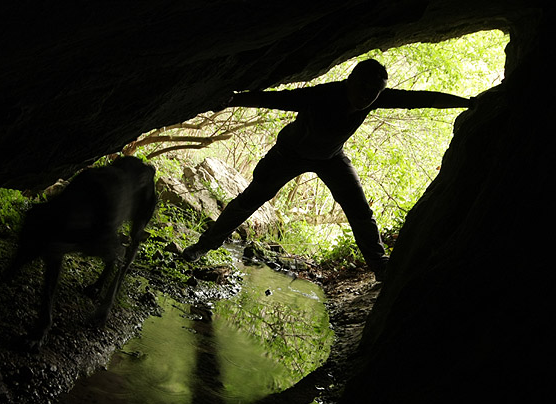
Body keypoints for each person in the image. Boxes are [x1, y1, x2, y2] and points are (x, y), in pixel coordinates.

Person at [182, 58, 473, 281]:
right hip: (288, 155)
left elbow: (424, 99)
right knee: (250, 200)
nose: (366, 97)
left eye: (374, 93)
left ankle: (381, 267)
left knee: (359, 210)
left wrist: (469, 104)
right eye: (362, 89)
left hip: (331, 158)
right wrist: (228, 99)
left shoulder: (377, 97)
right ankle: (202, 247)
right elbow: (272, 99)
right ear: (349, 81)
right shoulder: (322, 95)